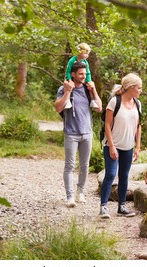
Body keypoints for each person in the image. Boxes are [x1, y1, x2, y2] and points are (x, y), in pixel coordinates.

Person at [55, 61, 102, 207]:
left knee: (85, 165)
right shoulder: (63, 89)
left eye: (85, 73)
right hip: (71, 133)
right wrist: (68, 91)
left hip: (87, 133)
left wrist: (94, 91)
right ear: (73, 74)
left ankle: (80, 192)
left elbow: (99, 108)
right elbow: (58, 108)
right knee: (69, 165)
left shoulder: (88, 90)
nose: (83, 76)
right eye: (80, 74)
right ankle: (69, 197)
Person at [99, 73, 142, 219]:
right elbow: (107, 124)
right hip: (113, 144)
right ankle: (103, 207)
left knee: (124, 175)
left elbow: (138, 126)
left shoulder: (137, 103)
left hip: (128, 146)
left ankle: (121, 207)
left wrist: (137, 147)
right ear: (131, 88)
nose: (140, 91)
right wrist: (111, 146)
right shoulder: (114, 101)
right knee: (111, 174)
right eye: (139, 88)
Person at [64, 43, 99, 110]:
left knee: (90, 86)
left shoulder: (85, 62)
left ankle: (92, 100)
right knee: (68, 85)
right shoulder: (72, 60)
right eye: (85, 53)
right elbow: (68, 71)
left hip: (83, 78)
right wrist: (69, 79)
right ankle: (67, 100)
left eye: (87, 54)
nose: (87, 55)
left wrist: (88, 81)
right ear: (80, 52)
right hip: (71, 77)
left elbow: (88, 73)